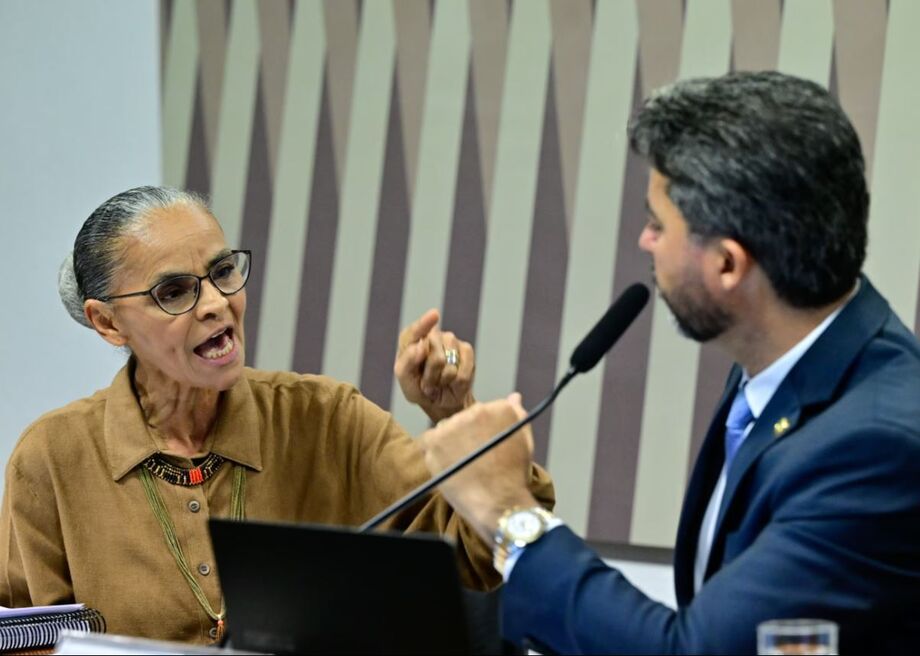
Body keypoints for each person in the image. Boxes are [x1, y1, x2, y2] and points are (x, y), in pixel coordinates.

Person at [419, 71, 920, 654]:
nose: (644, 240)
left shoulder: (876, 447)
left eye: (659, 223)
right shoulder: (785, 365)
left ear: (728, 265)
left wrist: (511, 515)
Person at [0, 186, 554, 644]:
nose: (216, 302)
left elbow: (485, 558)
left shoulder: (328, 420)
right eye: (174, 291)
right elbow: (24, 638)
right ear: (108, 323)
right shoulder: (51, 458)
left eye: (222, 271)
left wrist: (454, 415)